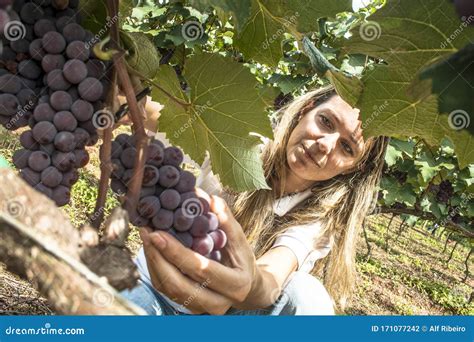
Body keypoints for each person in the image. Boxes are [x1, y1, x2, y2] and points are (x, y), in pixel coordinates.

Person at [120, 86, 389, 315]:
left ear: (353, 167)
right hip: (150, 288)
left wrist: (247, 283)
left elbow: (273, 275)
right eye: (326, 122)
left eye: (346, 147)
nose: (325, 144)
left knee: (309, 296)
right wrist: (125, 99)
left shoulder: (320, 218)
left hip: (223, 319)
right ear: (306, 109)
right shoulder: (244, 145)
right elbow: (163, 117)